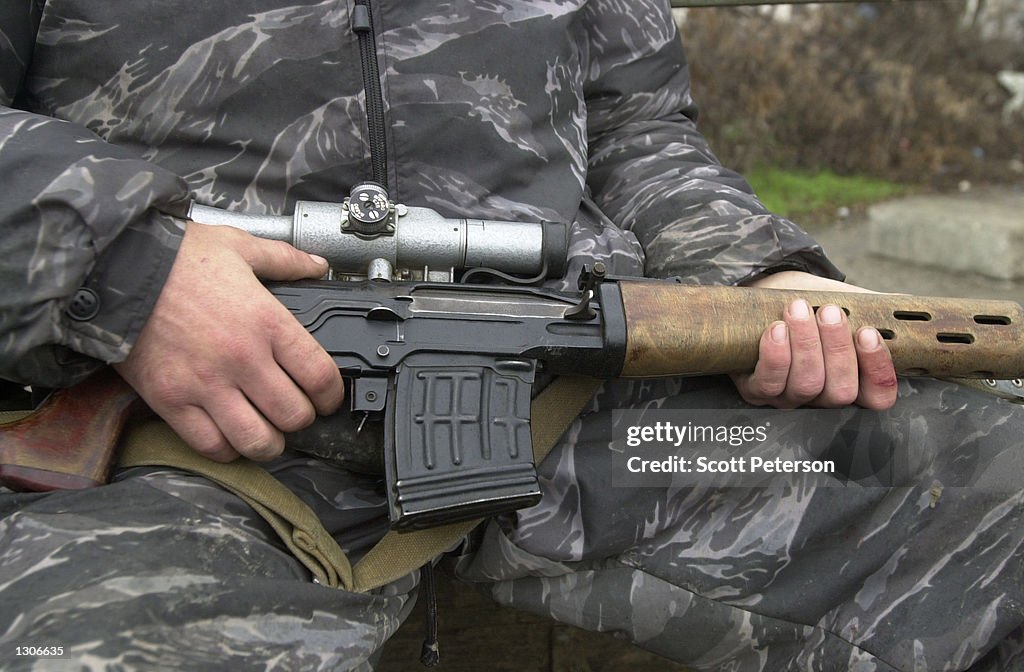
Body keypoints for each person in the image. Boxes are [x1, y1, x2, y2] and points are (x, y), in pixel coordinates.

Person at [0, 2, 1020, 670]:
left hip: (584, 414)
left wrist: (758, 279)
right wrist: (130, 271)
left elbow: (638, 130)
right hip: (190, 444)